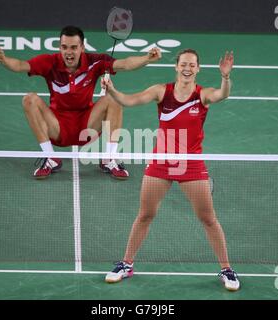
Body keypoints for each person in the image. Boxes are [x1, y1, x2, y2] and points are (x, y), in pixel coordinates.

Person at [101, 49, 240, 291]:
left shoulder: (202, 95)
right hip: (161, 162)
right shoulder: (161, 91)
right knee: (145, 215)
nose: (187, 68)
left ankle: (227, 269)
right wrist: (111, 90)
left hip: (191, 163)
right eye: (183, 63)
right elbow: (130, 101)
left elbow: (221, 95)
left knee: (208, 218)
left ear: (197, 69)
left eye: (192, 65)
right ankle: (126, 264)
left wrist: (225, 77)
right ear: (176, 67)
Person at [0, 25, 161, 179]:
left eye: (73, 47)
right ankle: (50, 158)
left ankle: (110, 158)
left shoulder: (95, 62)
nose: (69, 52)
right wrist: (4, 60)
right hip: (57, 127)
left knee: (113, 98)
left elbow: (125, 64)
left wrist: (146, 58)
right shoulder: (50, 62)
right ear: (59, 48)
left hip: (87, 127)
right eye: (64, 47)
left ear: (82, 48)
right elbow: (21, 65)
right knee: (29, 99)